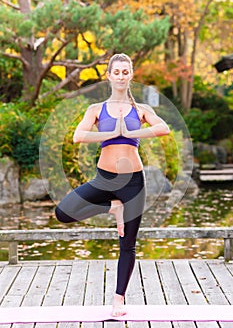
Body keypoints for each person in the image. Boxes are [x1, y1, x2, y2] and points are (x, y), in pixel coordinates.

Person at [55, 53, 170, 316]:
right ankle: (112, 208)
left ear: (131, 75)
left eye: (125, 71)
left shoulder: (141, 109)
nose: (120, 76)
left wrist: (130, 133)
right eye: (116, 72)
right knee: (63, 212)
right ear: (108, 75)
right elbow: (78, 136)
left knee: (127, 244)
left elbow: (163, 128)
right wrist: (112, 133)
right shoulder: (95, 109)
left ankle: (119, 299)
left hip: (133, 183)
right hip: (104, 179)